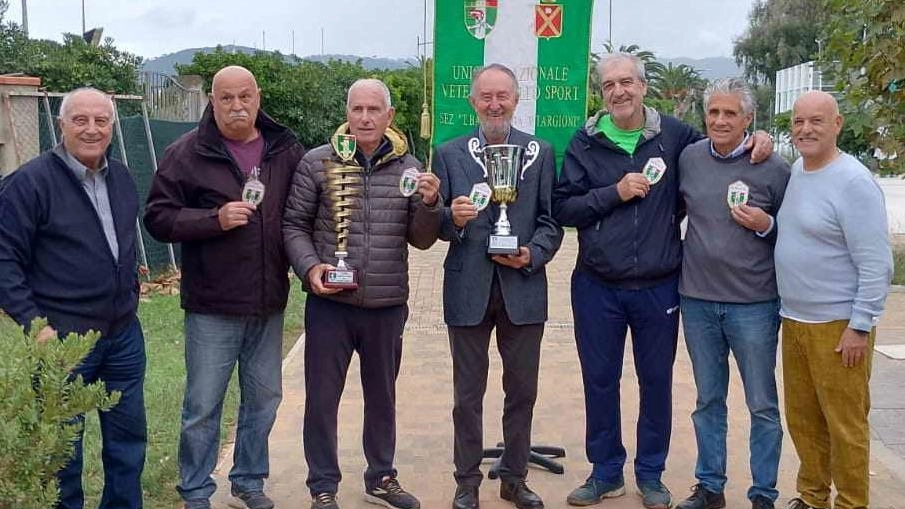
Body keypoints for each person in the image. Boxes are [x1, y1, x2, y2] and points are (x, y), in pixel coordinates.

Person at [552, 53, 773, 508]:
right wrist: (613, 192)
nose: (619, 91)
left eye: (627, 82)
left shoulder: (676, 137)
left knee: (656, 382)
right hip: (596, 285)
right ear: (601, 92)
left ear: (644, 86)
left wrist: (760, 139)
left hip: (659, 286)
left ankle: (650, 474)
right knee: (600, 380)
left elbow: (722, 147)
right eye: (610, 84)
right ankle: (606, 472)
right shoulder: (585, 142)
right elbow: (564, 208)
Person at [144, 65, 305, 509]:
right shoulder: (186, 153)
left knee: (265, 399)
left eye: (245, 97)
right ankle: (196, 490)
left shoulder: (284, 150)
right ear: (211, 102)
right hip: (212, 306)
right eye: (226, 98)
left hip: (268, 302)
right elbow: (157, 218)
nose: (237, 106)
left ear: (258, 97)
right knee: (202, 406)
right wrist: (212, 220)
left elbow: (306, 212)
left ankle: (249, 481)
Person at [282, 78, 441, 509]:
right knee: (321, 398)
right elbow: (293, 224)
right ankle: (322, 485)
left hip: (387, 306)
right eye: (357, 110)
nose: (365, 118)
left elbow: (422, 240)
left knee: (382, 398)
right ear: (347, 114)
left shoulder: (410, 169)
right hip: (330, 305)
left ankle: (381, 477)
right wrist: (311, 266)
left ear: (389, 117)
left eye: (374, 110)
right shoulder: (318, 163)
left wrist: (430, 205)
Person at [0, 87, 146, 509]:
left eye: (101, 121)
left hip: (122, 337)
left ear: (112, 127)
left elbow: (120, 244)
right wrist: (34, 325)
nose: (91, 129)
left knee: (128, 444)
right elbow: (5, 261)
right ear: (60, 124)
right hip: (61, 343)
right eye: (80, 120)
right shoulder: (30, 183)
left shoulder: (121, 177)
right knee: (62, 452)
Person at [434, 63, 564, 509]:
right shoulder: (448, 153)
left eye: (502, 96)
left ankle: (514, 478)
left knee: (522, 392)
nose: (494, 105)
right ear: (473, 101)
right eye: (485, 97)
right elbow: (436, 225)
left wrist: (533, 253)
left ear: (516, 99)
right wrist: (452, 217)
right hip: (467, 288)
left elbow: (551, 222)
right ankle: (466, 481)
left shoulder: (540, 152)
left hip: (522, 288)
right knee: (467, 395)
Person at [674, 78, 789, 509]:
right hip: (697, 300)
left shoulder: (774, 167)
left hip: (755, 305)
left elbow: (795, 233)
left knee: (761, 404)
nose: (720, 120)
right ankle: (710, 487)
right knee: (708, 401)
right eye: (714, 112)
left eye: (730, 114)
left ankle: (763, 494)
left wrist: (768, 225)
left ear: (748, 119)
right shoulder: (689, 158)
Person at [775, 91, 893, 509]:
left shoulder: (853, 181)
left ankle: (851, 502)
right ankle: (811, 498)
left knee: (845, 425)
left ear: (837, 125)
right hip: (795, 321)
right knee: (805, 421)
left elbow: (877, 263)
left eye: (816, 122)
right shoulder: (799, 172)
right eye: (798, 122)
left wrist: (860, 325)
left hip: (840, 328)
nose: (805, 130)